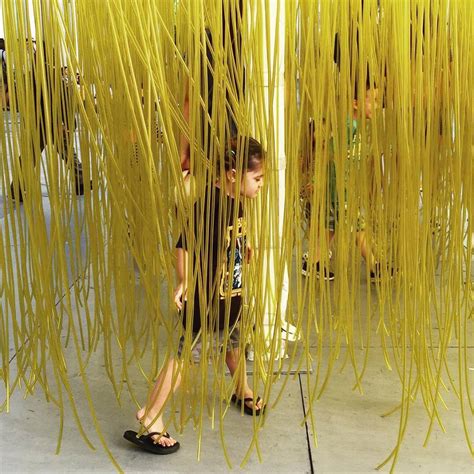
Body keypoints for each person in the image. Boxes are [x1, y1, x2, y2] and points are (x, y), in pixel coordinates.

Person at [124, 136, 265, 455]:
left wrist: (243, 250)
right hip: (207, 301)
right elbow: (184, 244)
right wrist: (185, 280)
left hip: (230, 296)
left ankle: (241, 388)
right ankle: (151, 415)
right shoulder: (209, 205)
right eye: (257, 178)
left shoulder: (235, 200)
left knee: (234, 342)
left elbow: (226, 239)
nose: (261, 185)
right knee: (183, 358)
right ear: (232, 174)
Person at [302, 82, 384, 282]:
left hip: (343, 187)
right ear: (356, 103)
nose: (377, 106)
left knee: (339, 226)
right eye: (372, 101)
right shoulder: (348, 127)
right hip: (336, 187)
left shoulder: (356, 126)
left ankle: (314, 262)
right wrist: (317, 180)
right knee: (349, 225)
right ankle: (373, 267)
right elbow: (329, 155)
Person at [1, 38, 88, 202]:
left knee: (34, 157)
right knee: (64, 155)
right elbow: (65, 101)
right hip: (45, 125)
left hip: (46, 125)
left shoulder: (41, 77)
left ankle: (17, 190)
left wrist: (67, 125)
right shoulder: (38, 76)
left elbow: (64, 101)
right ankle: (80, 182)